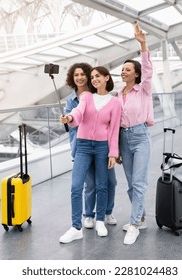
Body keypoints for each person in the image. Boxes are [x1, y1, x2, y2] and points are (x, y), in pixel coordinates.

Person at [59, 66, 122, 244]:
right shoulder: (87, 97)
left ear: (106, 78)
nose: (94, 79)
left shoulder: (115, 102)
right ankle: (75, 227)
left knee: (103, 185)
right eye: (92, 77)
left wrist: (113, 153)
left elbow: (114, 129)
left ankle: (100, 220)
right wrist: (70, 118)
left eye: (97, 76)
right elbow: (78, 113)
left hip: (103, 147)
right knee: (76, 186)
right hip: (83, 146)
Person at [117, 22, 154, 245]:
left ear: (137, 74)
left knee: (139, 182)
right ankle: (140, 216)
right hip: (123, 138)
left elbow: (148, 70)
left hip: (140, 136)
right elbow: (114, 124)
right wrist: (115, 149)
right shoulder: (118, 95)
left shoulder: (144, 89)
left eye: (128, 69)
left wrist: (143, 45)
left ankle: (133, 224)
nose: (123, 72)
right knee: (131, 183)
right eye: (122, 70)